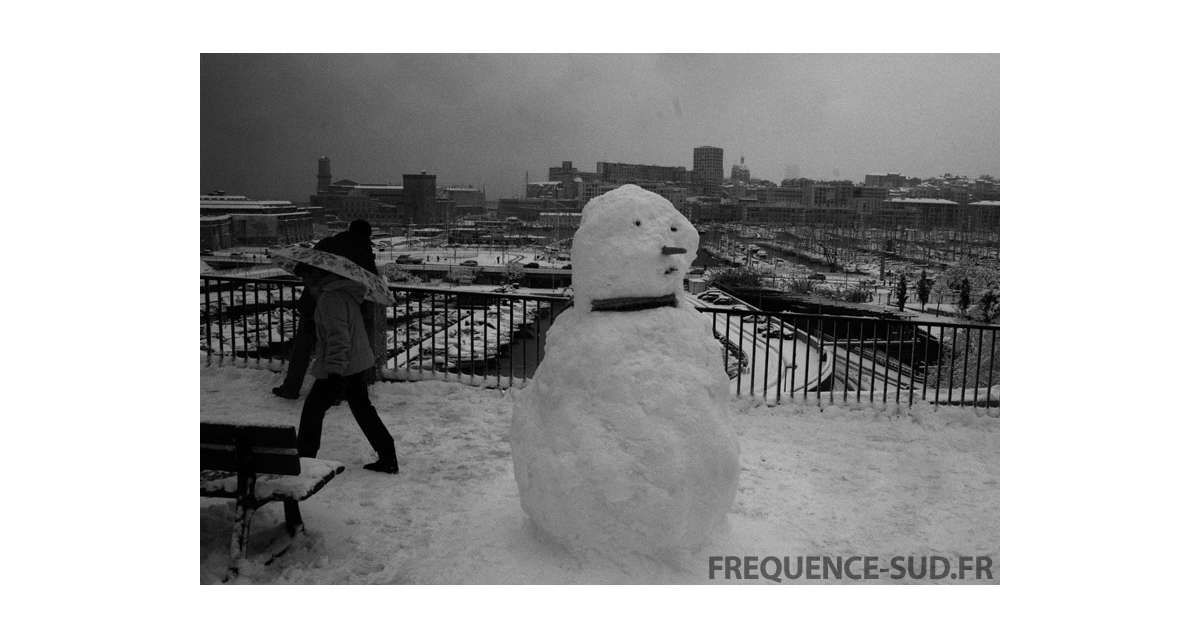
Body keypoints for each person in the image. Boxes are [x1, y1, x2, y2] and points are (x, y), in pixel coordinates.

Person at [293, 262, 398, 473]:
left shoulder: (329, 299)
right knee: (362, 409)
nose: (303, 284)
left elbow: (339, 339)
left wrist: (334, 372)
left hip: (341, 366)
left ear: (314, 278)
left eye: (304, 279)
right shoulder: (341, 293)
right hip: (356, 362)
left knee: (312, 412)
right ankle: (388, 456)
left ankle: (303, 461)